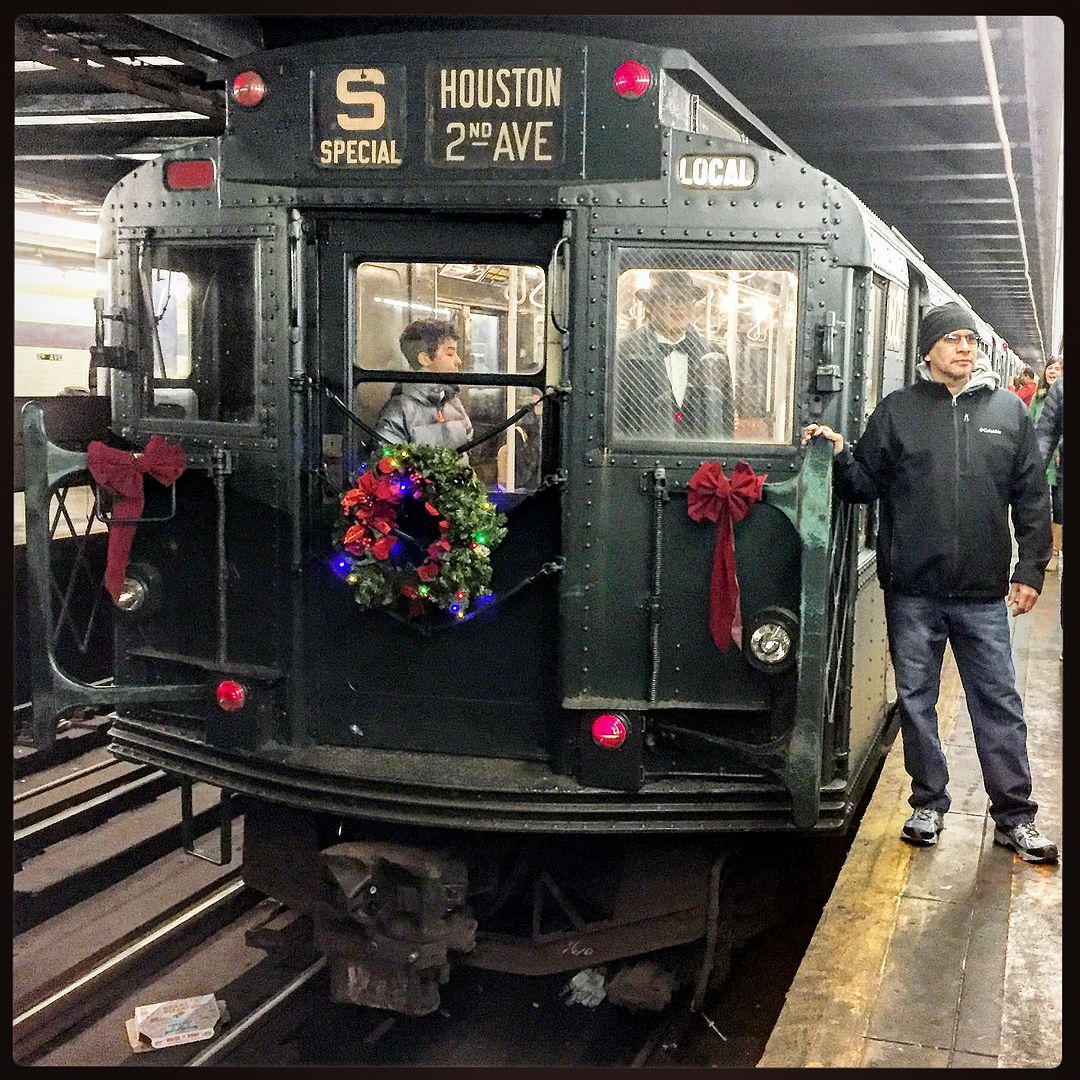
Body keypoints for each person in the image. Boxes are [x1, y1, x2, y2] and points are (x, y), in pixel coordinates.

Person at [802, 301, 1058, 863]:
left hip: (982, 593)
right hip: (913, 589)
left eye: (971, 339)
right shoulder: (898, 411)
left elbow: (1032, 499)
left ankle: (1015, 816)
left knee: (998, 703)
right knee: (916, 702)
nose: (965, 347)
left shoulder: (1008, 414)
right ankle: (928, 803)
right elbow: (864, 484)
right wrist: (841, 454)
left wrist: (1030, 568)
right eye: (952, 339)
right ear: (927, 351)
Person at [614, 270, 734, 440]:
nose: (677, 306)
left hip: (703, 462)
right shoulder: (625, 352)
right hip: (645, 461)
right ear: (650, 306)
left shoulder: (714, 355)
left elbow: (726, 420)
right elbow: (616, 419)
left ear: (692, 307)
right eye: (666, 299)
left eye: (684, 299)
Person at [374, 320, 473, 450]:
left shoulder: (453, 403)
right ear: (424, 359)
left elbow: (467, 451)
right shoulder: (399, 410)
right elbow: (389, 462)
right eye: (450, 353)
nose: (458, 361)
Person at [1029, 357, 1063, 569]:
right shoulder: (1061, 389)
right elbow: (1045, 434)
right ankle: (1054, 549)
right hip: (1061, 466)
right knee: (1058, 505)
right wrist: (1032, 476)